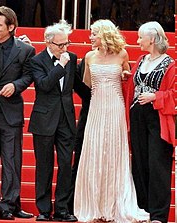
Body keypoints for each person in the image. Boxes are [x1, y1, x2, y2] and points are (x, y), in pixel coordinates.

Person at [74, 19, 149, 222]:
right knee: (96, 149)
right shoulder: (89, 56)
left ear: (104, 34)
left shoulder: (122, 54)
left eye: (94, 34)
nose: (90, 37)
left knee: (114, 150)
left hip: (115, 107)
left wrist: (125, 75)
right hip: (97, 108)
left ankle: (115, 204)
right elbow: (88, 84)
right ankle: (95, 206)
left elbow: (129, 76)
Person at [28, 19, 90, 222]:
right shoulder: (37, 61)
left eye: (67, 44)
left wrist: (101, 96)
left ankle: (62, 209)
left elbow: (78, 86)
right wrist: (60, 66)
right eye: (60, 44)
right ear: (48, 43)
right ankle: (44, 210)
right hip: (44, 120)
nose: (64, 48)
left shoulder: (72, 58)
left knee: (65, 164)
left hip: (66, 119)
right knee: (44, 166)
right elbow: (44, 85)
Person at [0, 6, 36, 220]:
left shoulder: (25, 50)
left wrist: (16, 85)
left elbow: (29, 75)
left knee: (12, 161)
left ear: (11, 27)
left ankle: (9, 205)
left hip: (11, 112)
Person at [126, 21, 175, 223]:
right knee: (139, 163)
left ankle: (158, 215)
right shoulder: (140, 60)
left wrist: (156, 97)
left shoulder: (170, 64)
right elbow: (133, 86)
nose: (137, 41)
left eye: (140, 37)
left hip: (157, 118)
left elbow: (174, 92)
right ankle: (143, 209)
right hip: (138, 117)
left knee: (157, 165)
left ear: (152, 39)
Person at [67, 57, 90, 215]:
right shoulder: (85, 60)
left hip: (111, 112)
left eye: (94, 33)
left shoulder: (120, 57)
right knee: (80, 159)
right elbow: (77, 84)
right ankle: (73, 203)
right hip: (88, 114)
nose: (90, 37)